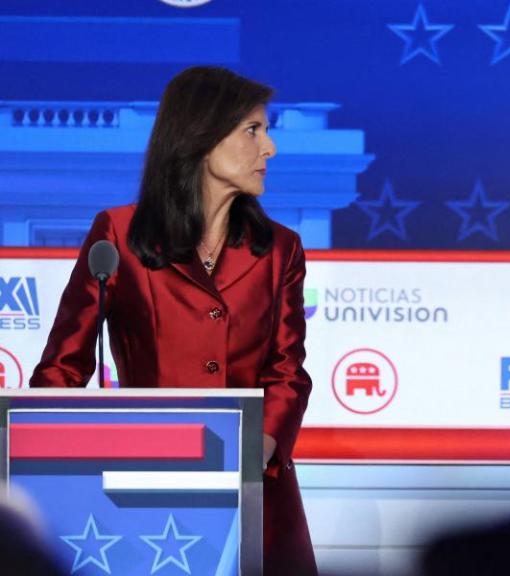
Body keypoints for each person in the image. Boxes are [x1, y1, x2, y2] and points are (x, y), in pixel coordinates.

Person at [30, 66, 317, 575]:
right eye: (253, 130)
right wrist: (45, 461)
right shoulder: (117, 234)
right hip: (141, 492)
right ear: (201, 138)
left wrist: (252, 455)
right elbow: (61, 370)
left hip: (254, 494)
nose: (269, 148)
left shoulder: (280, 249)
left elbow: (287, 372)